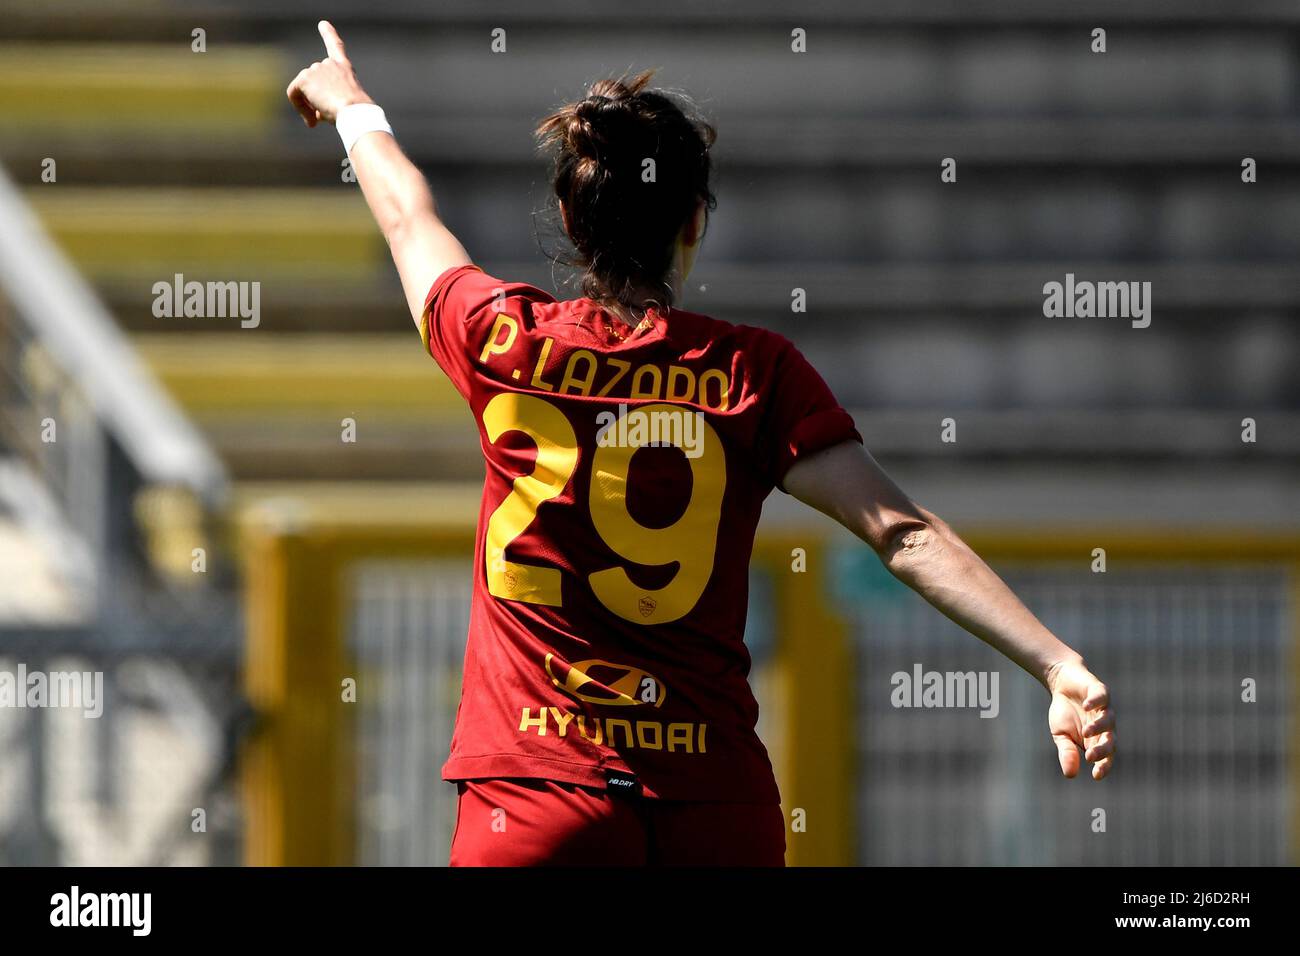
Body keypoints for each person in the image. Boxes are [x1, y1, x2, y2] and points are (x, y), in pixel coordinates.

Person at [287, 21, 1116, 867]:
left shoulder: (503, 339)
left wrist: (354, 107)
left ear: (572, 216)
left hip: (537, 801)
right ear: (694, 221)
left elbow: (407, 214)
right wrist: (1055, 663)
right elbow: (902, 532)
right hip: (711, 806)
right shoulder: (756, 370)